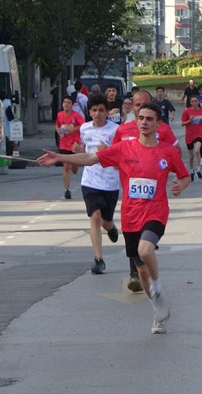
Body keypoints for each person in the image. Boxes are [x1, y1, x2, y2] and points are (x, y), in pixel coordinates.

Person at [37, 102, 191, 334]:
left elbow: (185, 175)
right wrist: (59, 157)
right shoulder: (124, 149)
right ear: (136, 121)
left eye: (150, 119)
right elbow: (90, 158)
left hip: (156, 212)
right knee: (140, 271)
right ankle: (157, 312)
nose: (144, 122)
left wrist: (181, 185)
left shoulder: (167, 152)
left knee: (146, 250)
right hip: (130, 216)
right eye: (141, 118)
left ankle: (157, 287)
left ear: (159, 124)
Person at [113, 90, 181, 292]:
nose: (142, 117)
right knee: (136, 246)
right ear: (132, 107)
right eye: (136, 106)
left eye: (145, 105)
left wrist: (165, 166)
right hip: (131, 203)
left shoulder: (163, 131)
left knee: (145, 246)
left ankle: (144, 269)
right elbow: (107, 156)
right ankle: (138, 272)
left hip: (155, 205)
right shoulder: (123, 131)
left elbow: (175, 152)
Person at [76, 94, 120, 274]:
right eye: (94, 110)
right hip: (90, 180)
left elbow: (120, 157)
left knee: (105, 220)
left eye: (101, 110)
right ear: (89, 112)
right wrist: (79, 151)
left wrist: (107, 152)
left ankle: (111, 227)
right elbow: (84, 149)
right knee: (95, 217)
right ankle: (99, 259)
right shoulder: (84, 128)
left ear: (108, 112)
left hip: (110, 182)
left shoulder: (116, 130)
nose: (97, 114)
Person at [55, 96, 85, 199]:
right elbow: (57, 125)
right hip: (64, 144)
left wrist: (74, 129)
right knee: (66, 167)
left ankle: (75, 165)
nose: (66, 104)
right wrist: (58, 130)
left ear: (72, 105)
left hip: (74, 145)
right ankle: (67, 190)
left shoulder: (76, 115)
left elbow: (84, 126)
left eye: (68, 102)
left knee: (74, 169)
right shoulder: (60, 115)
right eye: (64, 102)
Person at [181, 96, 202, 180]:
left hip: (199, 134)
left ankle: (198, 169)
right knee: (191, 155)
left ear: (198, 102)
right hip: (189, 135)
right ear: (190, 103)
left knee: (197, 151)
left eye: (195, 101)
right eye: (192, 101)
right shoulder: (187, 111)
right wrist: (189, 120)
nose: (194, 103)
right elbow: (182, 123)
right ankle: (191, 170)